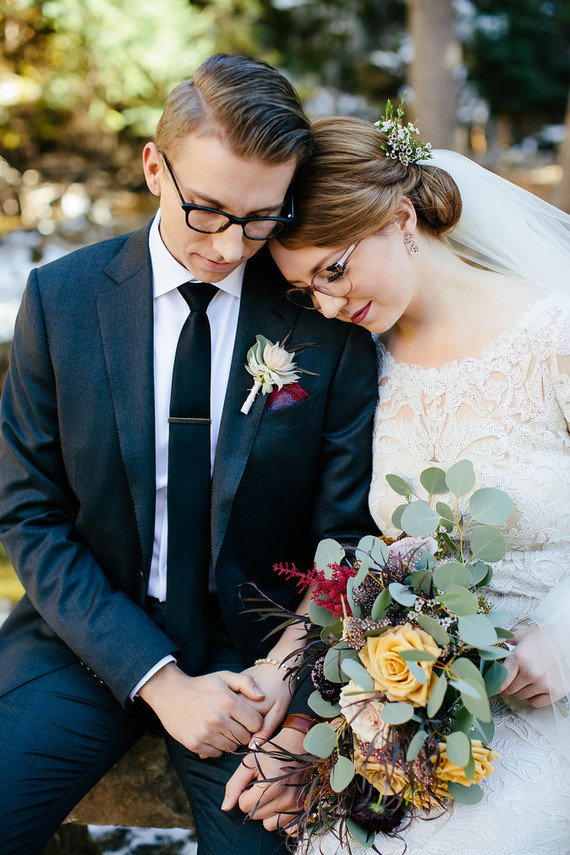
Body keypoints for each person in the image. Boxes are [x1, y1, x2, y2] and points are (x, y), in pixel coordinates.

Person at [0, 55, 379, 854]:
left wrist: (294, 684)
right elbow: (29, 514)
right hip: (85, 638)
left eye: (261, 218)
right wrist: (159, 680)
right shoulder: (58, 300)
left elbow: (345, 536)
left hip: (256, 665)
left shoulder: (326, 325)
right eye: (207, 211)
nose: (230, 245)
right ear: (153, 167)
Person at [265, 112, 570, 853]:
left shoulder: (552, 334)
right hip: (417, 707)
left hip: (553, 686)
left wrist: (564, 636)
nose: (329, 306)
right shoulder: (364, 364)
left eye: (333, 270)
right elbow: (367, 550)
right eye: (308, 291)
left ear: (401, 217)